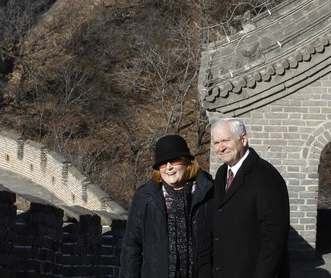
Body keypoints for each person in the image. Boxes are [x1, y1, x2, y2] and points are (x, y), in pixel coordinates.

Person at [119, 134, 214, 278]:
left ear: (187, 162)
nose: (168, 167)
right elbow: (131, 247)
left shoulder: (208, 192)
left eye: (174, 160)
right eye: (162, 163)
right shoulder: (145, 197)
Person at [210, 118, 290, 278]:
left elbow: (274, 237)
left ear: (244, 139)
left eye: (226, 140)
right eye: (216, 143)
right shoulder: (221, 173)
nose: (221, 148)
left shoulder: (266, 176)